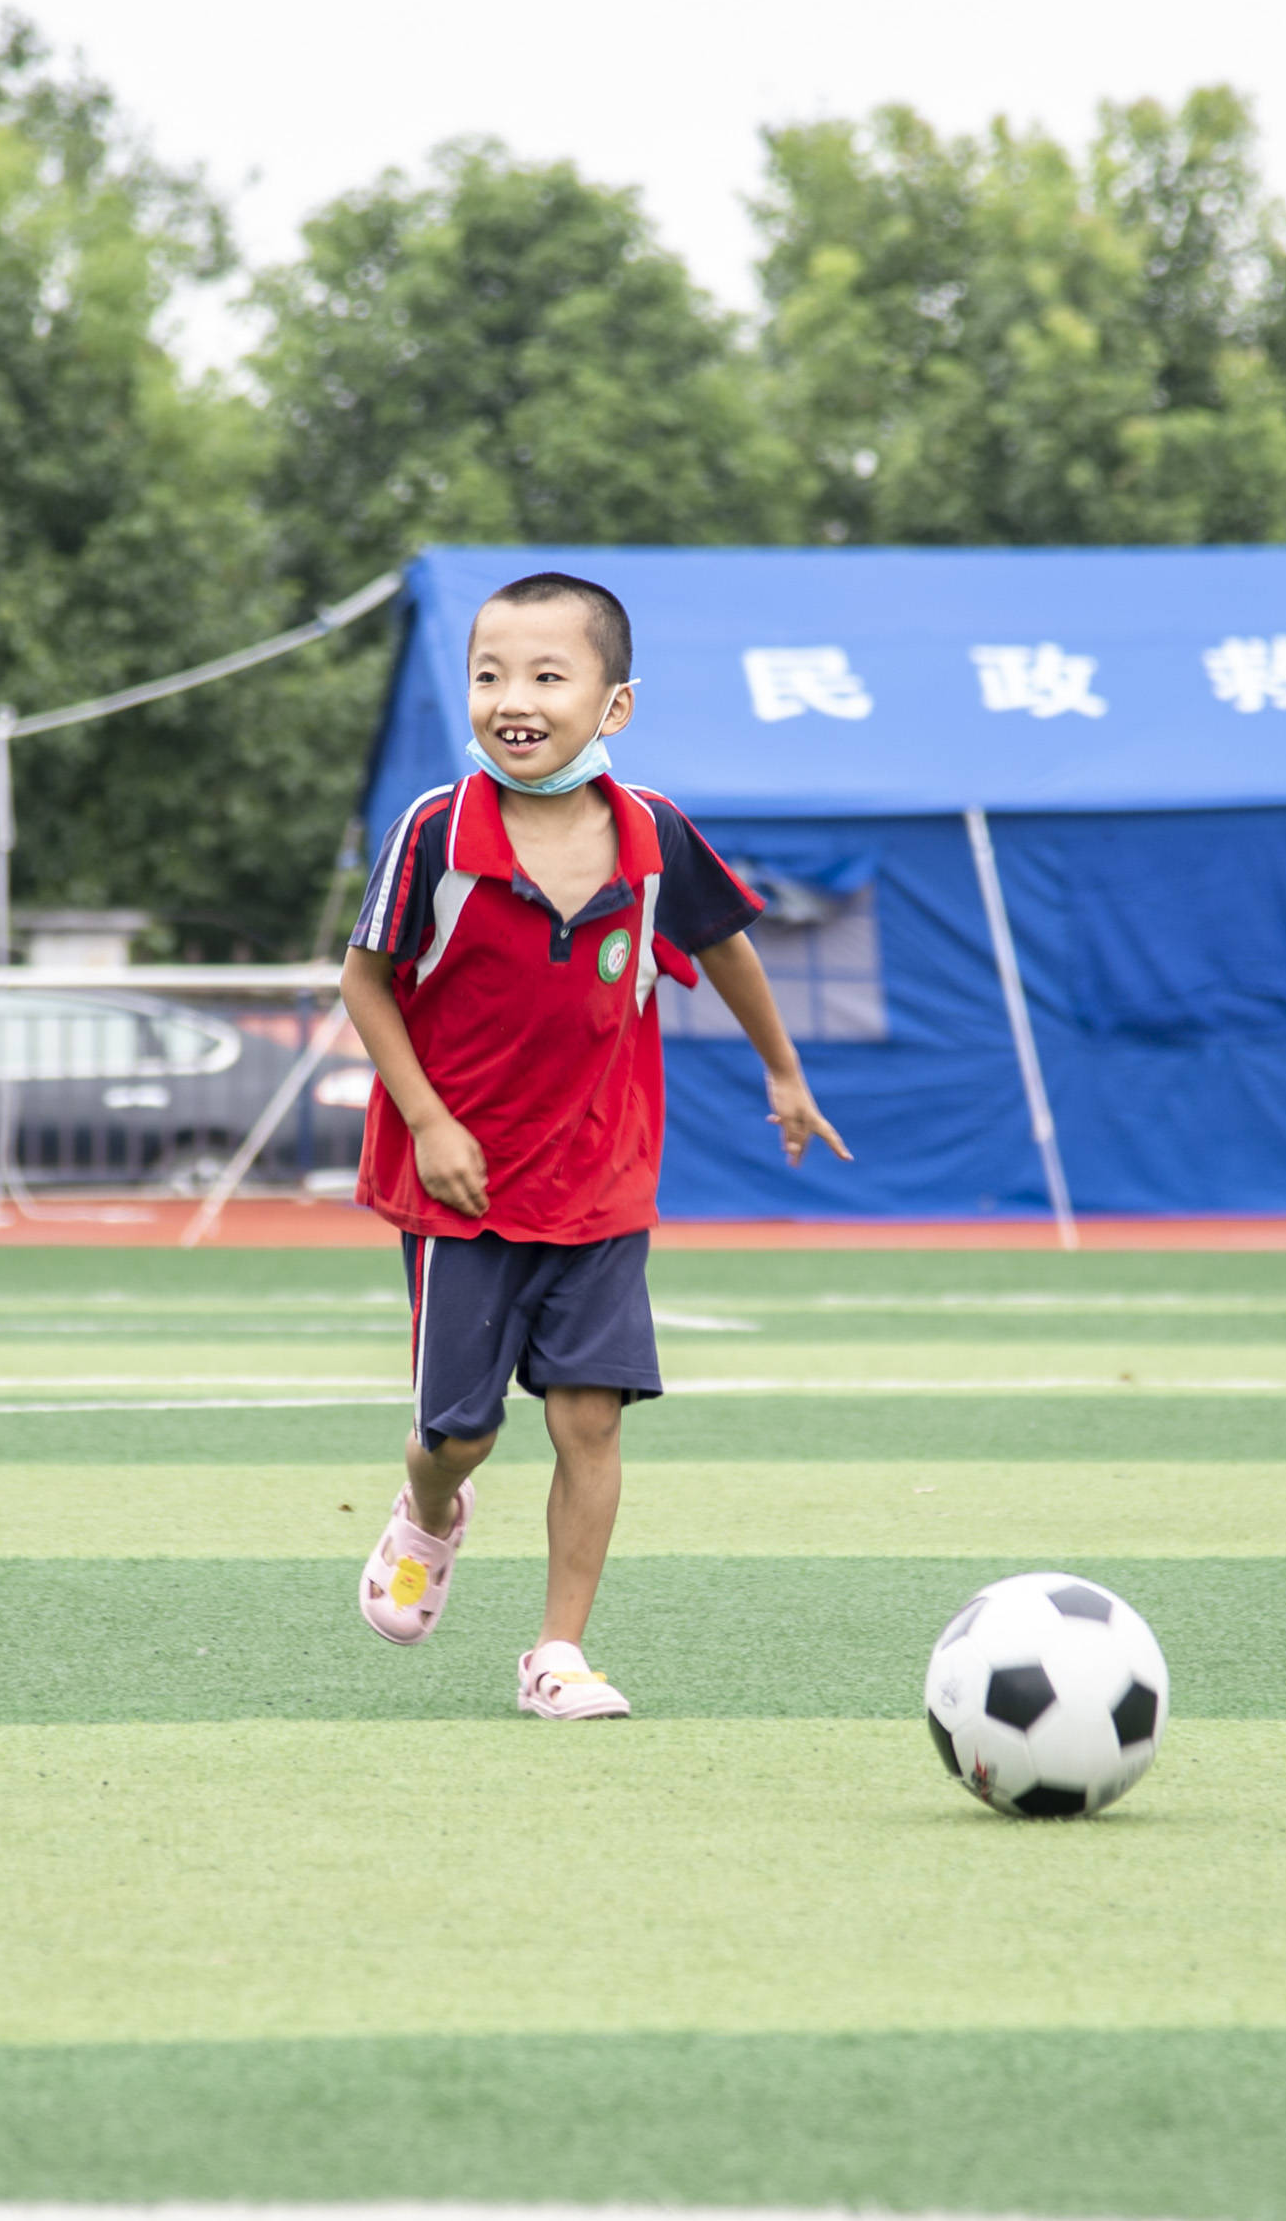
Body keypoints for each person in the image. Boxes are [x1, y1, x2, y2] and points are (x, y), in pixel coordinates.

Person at [337, 569, 849, 1718]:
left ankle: (556, 1653)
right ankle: (428, 1511)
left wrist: (782, 1069)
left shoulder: (651, 836)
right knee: (457, 1434)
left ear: (612, 706)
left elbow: (725, 948)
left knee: (588, 1418)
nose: (511, 699)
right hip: (458, 1184)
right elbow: (362, 982)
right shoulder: (434, 832)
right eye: (487, 675)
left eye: (545, 676)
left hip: (601, 1178)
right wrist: (428, 1120)